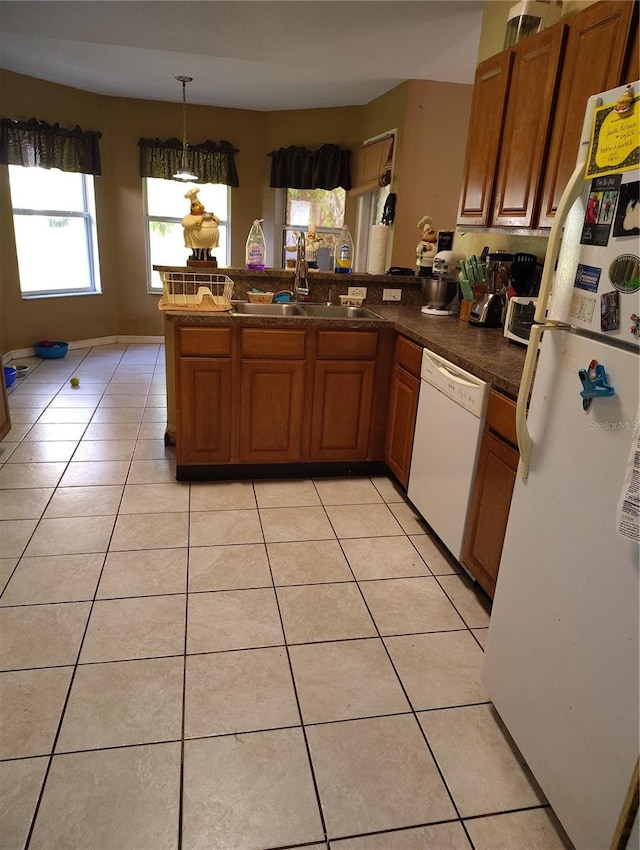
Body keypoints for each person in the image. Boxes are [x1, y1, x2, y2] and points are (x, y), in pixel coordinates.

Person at [182, 188, 220, 262]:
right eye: (197, 205)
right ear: (192, 208)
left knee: (206, 251)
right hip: (195, 238)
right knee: (187, 231)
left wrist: (211, 217)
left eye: (200, 204)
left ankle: (207, 254)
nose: (200, 207)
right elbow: (185, 223)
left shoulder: (208, 215)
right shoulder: (189, 217)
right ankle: (196, 255)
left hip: (210, 238)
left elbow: (218, 221)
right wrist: (198, 221)